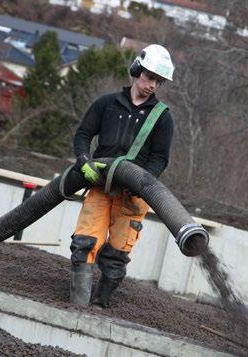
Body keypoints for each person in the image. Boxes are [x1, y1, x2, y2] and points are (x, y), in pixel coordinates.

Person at [69, 44, 175, 308]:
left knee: (116, 254)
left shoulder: (161, 117)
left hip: (133, 196)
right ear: (137, 70)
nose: (153, 85)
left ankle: (99, 305)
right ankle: (78, 305)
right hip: (100, 186)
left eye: (158, 81)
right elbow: (83, 134)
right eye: (150, 77)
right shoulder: (106, 104)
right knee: (84, 243)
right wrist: (83, 161)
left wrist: (142, 182)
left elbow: (160, 158)